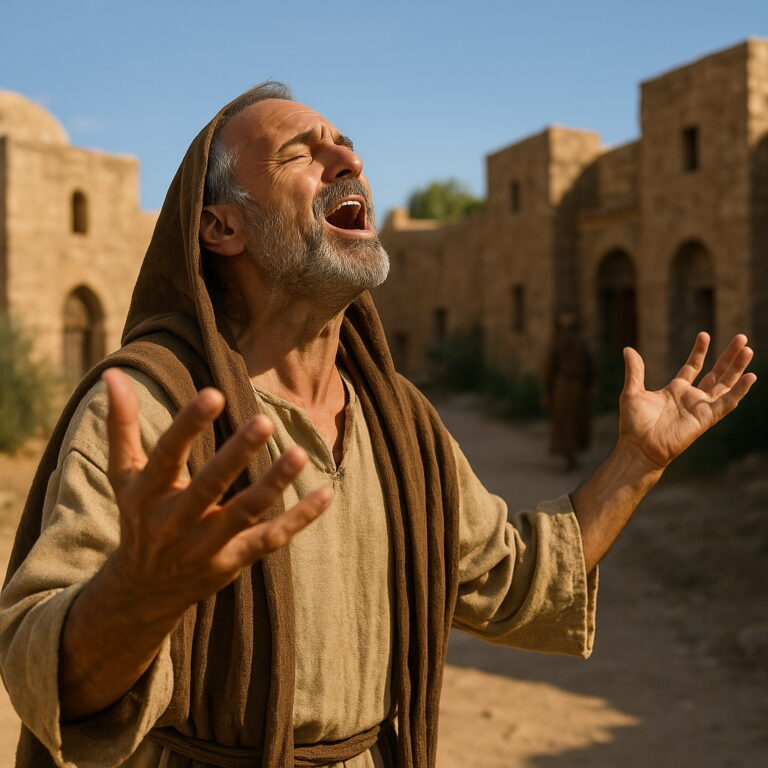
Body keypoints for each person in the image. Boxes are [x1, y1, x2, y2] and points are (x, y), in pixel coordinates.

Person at [0, 83, 756, 768]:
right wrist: (142, 592)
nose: (347, 158)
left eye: (345, 143)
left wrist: (638, 461)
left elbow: (514, 577)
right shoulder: (152, 407)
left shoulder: (401, 424)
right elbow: (45, 676)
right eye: (304, 151)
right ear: (221, 228)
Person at [543, 313, 594, 470]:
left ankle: (571, 454)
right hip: (565, 386)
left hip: (571, 387)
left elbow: (590, 367)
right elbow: (550, 369)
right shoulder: (560, 344)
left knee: (572, 420)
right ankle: (568, 454)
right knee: (565, 420)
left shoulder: (575, 344)